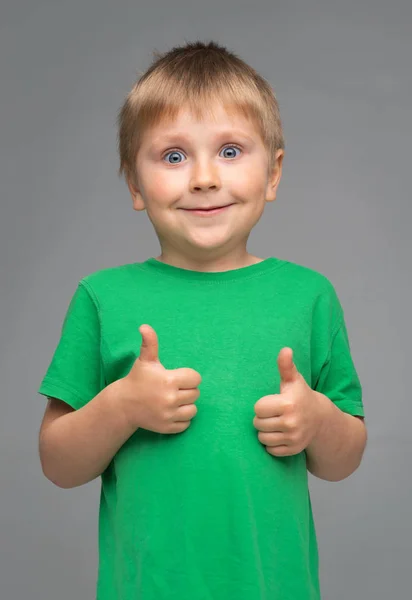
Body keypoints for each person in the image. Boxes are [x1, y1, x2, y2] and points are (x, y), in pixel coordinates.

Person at [37, 40, 367, 600]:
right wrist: (121, 406)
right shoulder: (103, 297)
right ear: (134, 183)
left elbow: (344, 459)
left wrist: (317, 421)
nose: (205, 178)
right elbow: (58, 464)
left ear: (274, 173)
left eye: (232, 151)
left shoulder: (309, 296)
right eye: (173, 156)